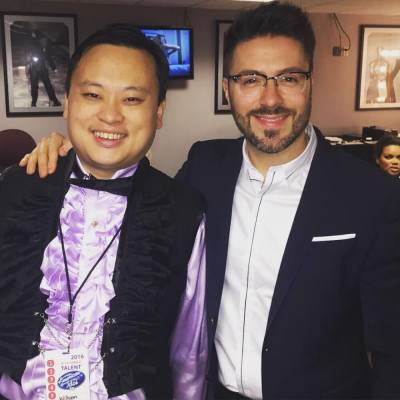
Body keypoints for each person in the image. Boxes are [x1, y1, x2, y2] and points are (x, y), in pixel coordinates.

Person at [20, 2, 400, 399]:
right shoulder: (205, 167)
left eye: (288, 78)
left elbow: (392, 349)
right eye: (250, 79)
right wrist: (72, 156)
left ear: (310, 82)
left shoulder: (372, 196)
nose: (270, 99)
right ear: (228, 88)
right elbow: (134, 202)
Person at [0, 24, 207, 400]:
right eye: (93, 94)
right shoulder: (16, 189)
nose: (110, 116)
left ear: (159, 112)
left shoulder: (182, 211)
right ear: (67, 102)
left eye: (131, 100)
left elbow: (189, 349)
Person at [26, 29, 62, 107]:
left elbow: (47, 56)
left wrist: (53, 67)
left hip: (40, 67)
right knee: (36, 86)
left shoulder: (41, 43)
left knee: (46, 85)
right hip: (35, 68)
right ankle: (34, 102)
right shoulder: (34, 43)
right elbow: (29, 54)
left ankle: (54, 100)